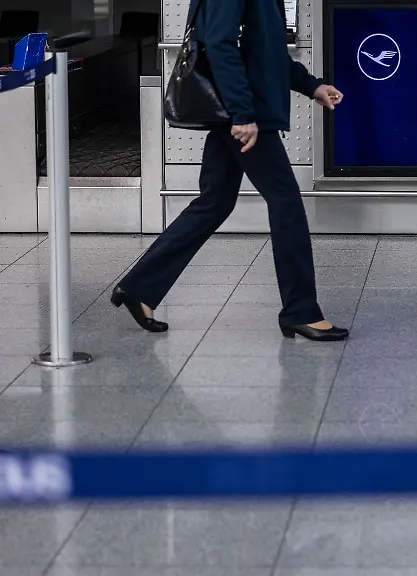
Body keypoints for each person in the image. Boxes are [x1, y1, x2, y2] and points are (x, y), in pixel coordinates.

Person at [110, 0, 348, 342]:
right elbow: (219, 43)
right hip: (246, 112)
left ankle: (139, 287)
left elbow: (263, 49)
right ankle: (301, 311)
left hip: (243, 109)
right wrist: (242, 113)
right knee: (286, 202)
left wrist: (311, 85)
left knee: (214, 202)